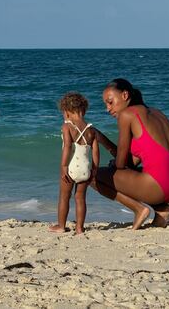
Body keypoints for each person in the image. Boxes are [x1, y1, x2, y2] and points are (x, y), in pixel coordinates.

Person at [92, 78, 169, 230]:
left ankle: (139, 209)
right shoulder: (157, 113)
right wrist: (103, 140)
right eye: (105, 104)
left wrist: (103, 142)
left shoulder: (128, 115)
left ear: (124, 95)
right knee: (119, 170)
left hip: (157, 186)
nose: (108, 108)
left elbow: (121, 164)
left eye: (110, 102)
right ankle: (162, 210)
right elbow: (131, 162)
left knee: (91, 176)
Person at [50, 92, 100, 234]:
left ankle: (61, 226)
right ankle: (79, 228)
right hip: (86, 169)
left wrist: (64, 166)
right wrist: (94, 170)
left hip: (71, 167)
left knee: (64, 197)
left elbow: (67, 147)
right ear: (83, 110)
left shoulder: (67, 127)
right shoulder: (92, 130)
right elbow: (96, 152)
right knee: (80, 198)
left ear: (66, 112)